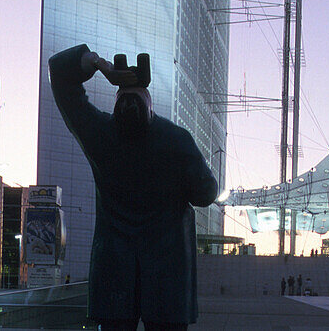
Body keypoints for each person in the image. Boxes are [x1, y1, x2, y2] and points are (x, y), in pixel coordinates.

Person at [49, 45, 218, 331]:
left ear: (117, 100)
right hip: (168, 277)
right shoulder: (176, 140)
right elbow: (205, 194)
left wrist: (97, 63)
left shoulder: (100, 134)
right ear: (149, 102)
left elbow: (61, 75)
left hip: (114, 271)